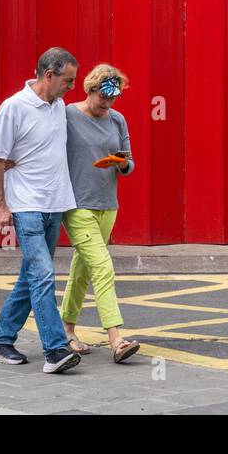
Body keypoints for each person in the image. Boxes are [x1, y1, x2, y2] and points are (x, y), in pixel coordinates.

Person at [0, 47, 83, 374]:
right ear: (49, 75)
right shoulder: (14, 107)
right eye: (68, 80)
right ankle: (55, 350)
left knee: (31, 279)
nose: (71, 86)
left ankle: (1, 340)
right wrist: (1, 206)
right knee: (42, 275)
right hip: (25, 205)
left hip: (54, 204)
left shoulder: (59, 107)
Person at [59, 63, 140, 363]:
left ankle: (66, 331)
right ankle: (116, 339)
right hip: (76, 204)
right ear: (90, 89)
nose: (108, 104)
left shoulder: (117, 120)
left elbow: (129, 163)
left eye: (114, 98)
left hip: (108, 204)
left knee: (82, 270)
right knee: (103, 267)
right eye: (104, 97)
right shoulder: (67, 115)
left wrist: (121, 164)